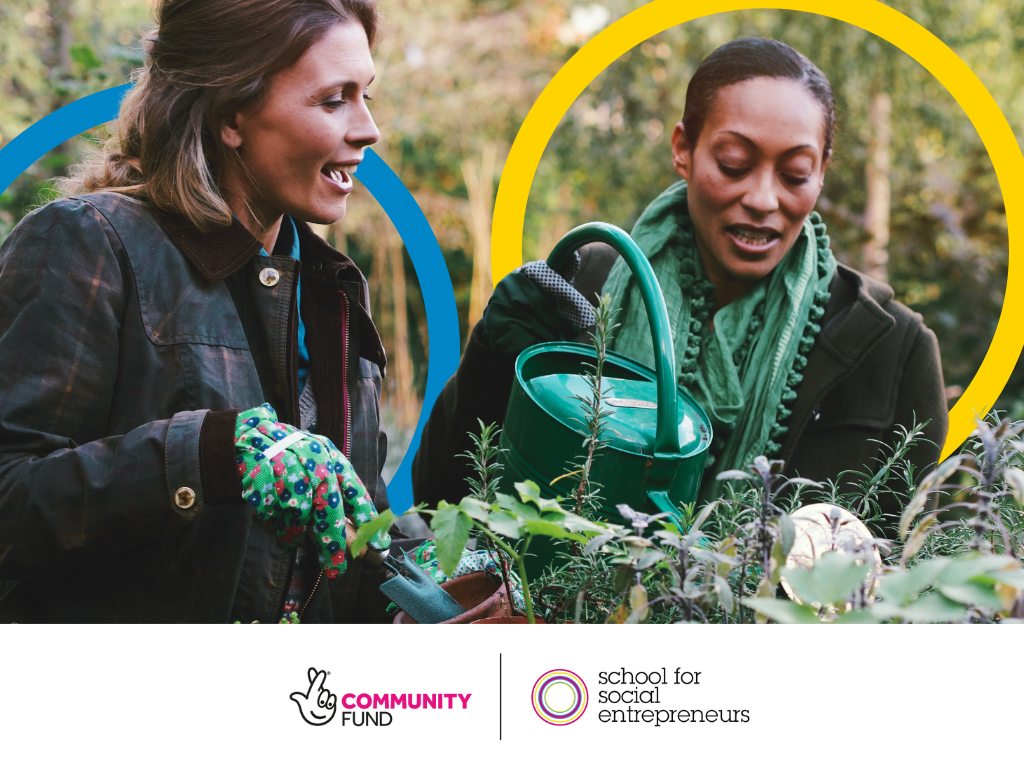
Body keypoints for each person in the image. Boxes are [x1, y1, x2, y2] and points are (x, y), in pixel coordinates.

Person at [413, 38, 948, 535]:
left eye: (795, 173)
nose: (763, 198)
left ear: (823, 171)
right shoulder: (583, 289)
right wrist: (490, 365)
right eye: (734, 164)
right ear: (682, 149)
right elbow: (440, 506)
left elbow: (903, 578)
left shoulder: (891, 349)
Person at [0, 0, 397, 623]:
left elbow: (353, 527)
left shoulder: (333, 290)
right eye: (333, 100)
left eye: (366, 95)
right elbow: (10, 502)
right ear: (231, 115)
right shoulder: (87, 244)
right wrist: (207, 455)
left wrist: (431, 588)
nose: (368, 128)